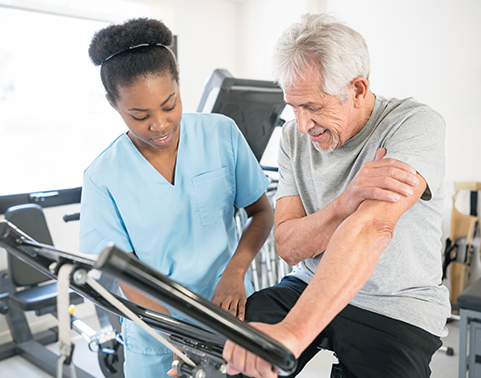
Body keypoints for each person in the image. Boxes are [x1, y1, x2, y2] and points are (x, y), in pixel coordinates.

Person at [223, 13, 450, 378]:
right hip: (307, 283)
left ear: (357, 90)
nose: (301, 124)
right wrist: (346, 202)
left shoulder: (414, 125)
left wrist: (293, 333)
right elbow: (288, 245)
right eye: (293, 107)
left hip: (394, 304)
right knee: (227, 354)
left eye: (313, 107)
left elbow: (371, 228)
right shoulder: (295, 138)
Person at [79, 18, 274, 378]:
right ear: (112, 103)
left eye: (169, 106)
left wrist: (235, 271)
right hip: (156, 335)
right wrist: (177, 336)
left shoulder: (221, 135)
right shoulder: (103, 177)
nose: (160, 125)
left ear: (179, 84)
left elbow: (261, 212)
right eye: (140, 116)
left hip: (229, 312)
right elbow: (125, 275)